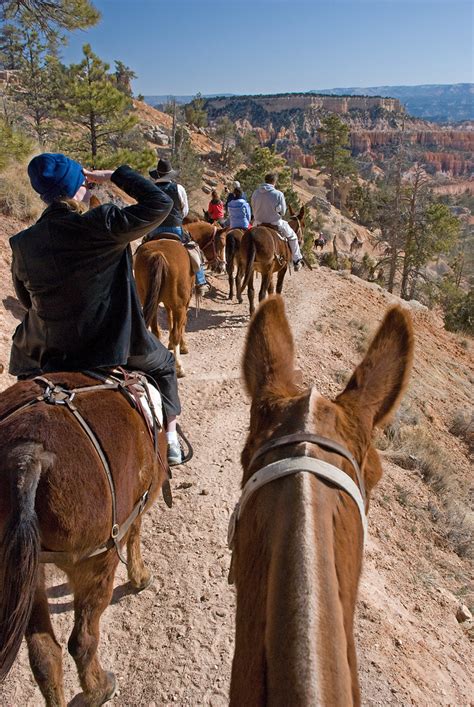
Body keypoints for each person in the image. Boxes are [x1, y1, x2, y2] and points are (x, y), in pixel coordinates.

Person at [9, 153, 183, 465]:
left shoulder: (23, 243)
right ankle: (171, 440)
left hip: (50, 349)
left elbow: (25, 300)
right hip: (111, 346)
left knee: (23, 370)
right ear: (80, 185)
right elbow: (160, 203)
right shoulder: (103, 223)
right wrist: (114, 175)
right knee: (165, 363)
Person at [147, 158, 207, 294]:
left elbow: (148, 209)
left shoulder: (151, 189)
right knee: (194, 249)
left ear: (157, 174)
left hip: (155, 228)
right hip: (175, 228)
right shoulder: (178, 188)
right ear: (170, 175)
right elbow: (185, 210)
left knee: (140, 250)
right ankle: (201, 281)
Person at [251, 173, 304, 270]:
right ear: (274, 182)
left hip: (258, 222)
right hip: (274, 223)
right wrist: (277, 209)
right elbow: (283, 212)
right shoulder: (278, 194)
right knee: (293, 237)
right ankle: (296, 260)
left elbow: (253, 208)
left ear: (265, 180)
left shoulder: (255, 193)